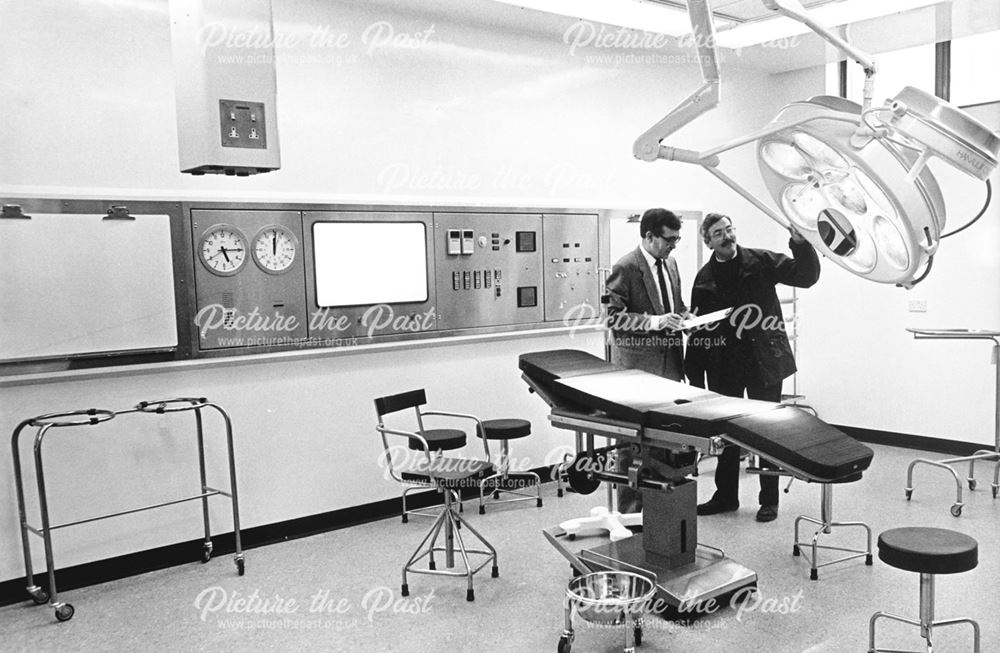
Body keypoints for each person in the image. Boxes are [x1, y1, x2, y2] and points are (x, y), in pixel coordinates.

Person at [685, 213, 820, 523]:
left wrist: (800, 243)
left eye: (729, 229)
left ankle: (769, 500)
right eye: (718, 233)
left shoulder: (762, 261)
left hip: (764, 361)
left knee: (767, 432)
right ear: (708, 241)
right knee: (728, 432)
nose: (726, 236)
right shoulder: (704, 280)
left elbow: (806, 276)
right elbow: (697, 330)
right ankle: (726, 496)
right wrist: (694, 377)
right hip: (725, 365)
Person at [605, 208, 687, 513]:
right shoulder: (625, 267)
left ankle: (659, 508)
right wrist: (655, 322)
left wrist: (685, 316)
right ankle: (629, 513)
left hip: (670, 367)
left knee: (665, 439)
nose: (673, 245)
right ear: (649, 236)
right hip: (637, 371)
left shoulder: (672, 263)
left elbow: (673, 306)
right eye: (669, 239)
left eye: (678, 239)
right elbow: (614, 318)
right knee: (633, 443)